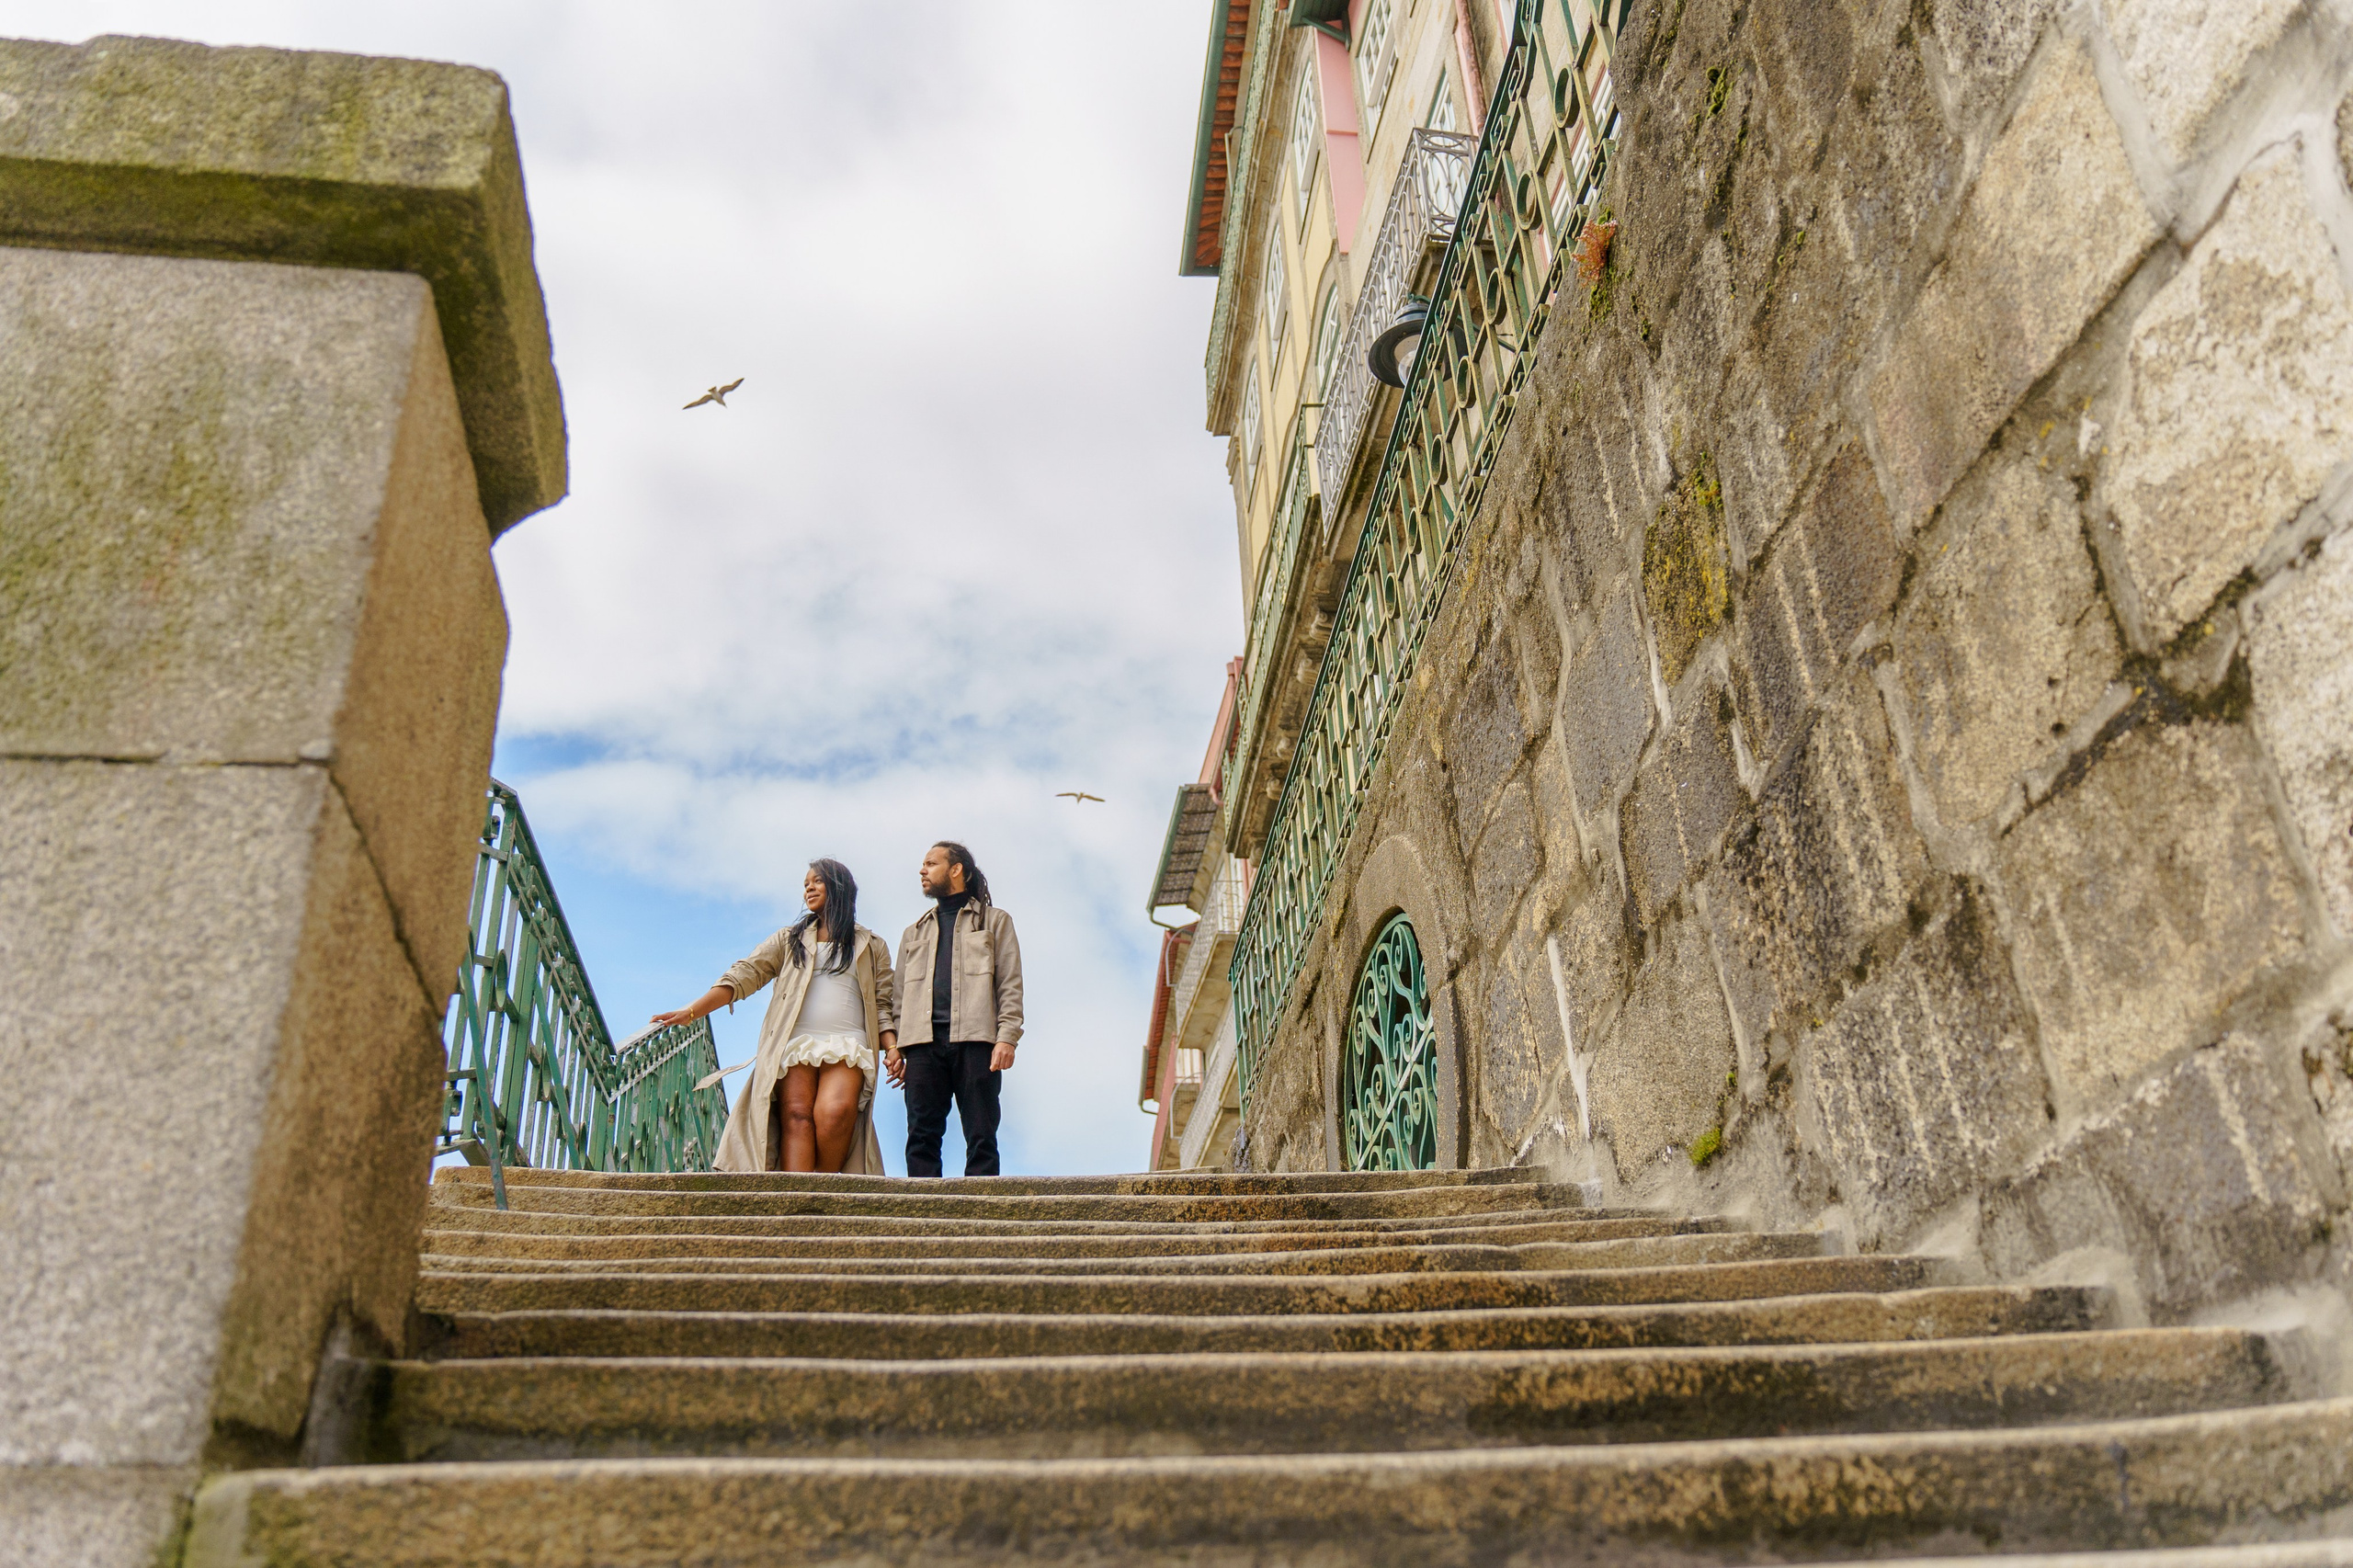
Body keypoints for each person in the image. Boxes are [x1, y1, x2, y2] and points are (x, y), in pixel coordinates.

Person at [651, 858, 896, 1174]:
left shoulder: (872, 945)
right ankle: (795, 1202)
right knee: (796, 1116)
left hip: (849, 1042)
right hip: (792, 1041)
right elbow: (744, 975)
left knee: (835, 1113)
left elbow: (883, 1004)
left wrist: (891, 1047)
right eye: (806, 882)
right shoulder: (789, 939)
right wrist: (692, 1011)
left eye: (817, 881)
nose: (808, 887)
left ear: (839, 887)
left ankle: (825, 1192)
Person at [889, 841, 1023, 1177]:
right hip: (922, 1046)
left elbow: (1010, 984)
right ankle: (921, 1216)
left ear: (956, 869)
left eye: (931, 863)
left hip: (977, 1041)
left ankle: (981, 1214)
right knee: (920, 1136)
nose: (922, 870)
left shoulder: (995, 922)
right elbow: (899, 998)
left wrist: (1007, 1037)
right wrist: (901, 1048)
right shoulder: (913, 933)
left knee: (981, 1135)